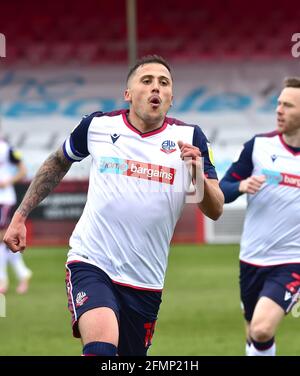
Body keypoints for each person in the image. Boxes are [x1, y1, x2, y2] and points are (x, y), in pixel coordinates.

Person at [4, 55, 224, 356]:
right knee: (101, 349)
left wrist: (197, 173)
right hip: (92, 262)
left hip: (145, 280)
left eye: (164, 83)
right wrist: (20, 215)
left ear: (172, 97)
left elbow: (215, 209)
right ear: (128, 94)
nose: (155, 88)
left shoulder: (190, 138)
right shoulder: (97, 126)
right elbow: (57, 162)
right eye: (146, 81)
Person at [220, 77, 300, 356]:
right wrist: (241, 186)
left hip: (291, 262)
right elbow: (221, 191)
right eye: (279, 104)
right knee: (255, 335)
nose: (279, 110)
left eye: (288, 106)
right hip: (251, 260)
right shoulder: (258, 147)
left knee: (262, 329)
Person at [0, 136, 32, 295]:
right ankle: (22, 274)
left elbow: (23, 170)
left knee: (2, 238)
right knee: (4, 242)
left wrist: (7, 181)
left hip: (3, 199)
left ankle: (3, 279)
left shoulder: (6, 149)